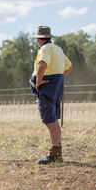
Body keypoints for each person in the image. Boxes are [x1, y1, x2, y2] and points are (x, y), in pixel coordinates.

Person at [30, 26, 72, 164]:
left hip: (46, 88)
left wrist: (39, 81)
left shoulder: (44, 49)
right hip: (56, 87)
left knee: (49, 120)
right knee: (53, 120)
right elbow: (68, 66)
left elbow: (42, 65)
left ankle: (54, 154)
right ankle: (57, 152)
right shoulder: (58, 49)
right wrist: (58, 80)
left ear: (38, 39)